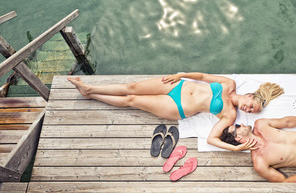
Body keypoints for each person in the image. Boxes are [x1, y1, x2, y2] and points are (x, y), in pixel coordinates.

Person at [68, 72, 284, 152]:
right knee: (132, 88)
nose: (247, 109)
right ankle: (90, 88)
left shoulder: (230, 115)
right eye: (251, 106)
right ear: (250, 95)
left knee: (132, 100)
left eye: (250, 111)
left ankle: (91, 94)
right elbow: (202, 76)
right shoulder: (229, 83)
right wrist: (181, 73)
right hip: (177, 85)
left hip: (178, 108)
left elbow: (212, 139)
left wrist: (235, 148)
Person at [220, 116, 296, 182]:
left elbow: (287, 122)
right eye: (237, 126)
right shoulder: (260, 162)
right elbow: (285, 182)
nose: (241, 124)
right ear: (238, 138)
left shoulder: (260, 124)